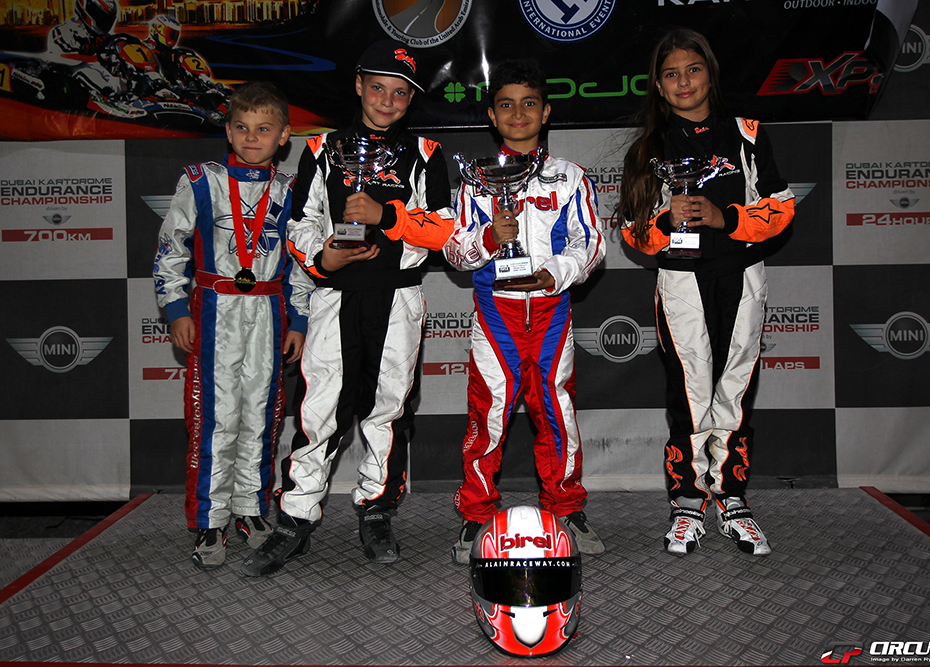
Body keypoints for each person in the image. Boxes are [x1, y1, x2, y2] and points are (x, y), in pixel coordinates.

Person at [240, 40, 456, 576]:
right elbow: (300, 221)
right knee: (319, 411)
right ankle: (295, 518)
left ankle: (376, 510)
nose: (387, 100)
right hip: (335, 296)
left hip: (398, 296)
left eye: (399, 92)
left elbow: (444, 229)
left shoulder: (426, 153)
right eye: (377, 87)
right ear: (359, 85)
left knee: (389, 410)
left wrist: (388, 217)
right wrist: (324, 258)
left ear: (412, 98)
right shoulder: (321, 149)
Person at [617, 28, 795, 557]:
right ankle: (688, 501)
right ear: (658, 85)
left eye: (692, 69)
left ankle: (732, 498)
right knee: (691, 395)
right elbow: (632, 232)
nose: (683, 82)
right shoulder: (648, 149)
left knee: (735, 390)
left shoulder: (747, 134)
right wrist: (664, 222)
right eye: (671, 74)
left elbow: (782, 207)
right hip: (681, 282)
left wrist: (727, 218)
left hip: (742, 274)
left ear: (709, 74)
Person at [445, 59, 607, 565]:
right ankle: (476, 513)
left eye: (529, 103)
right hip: (497, 314)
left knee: (557, 414)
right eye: (507, 105)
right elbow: (455, 252)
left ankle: (565, 508)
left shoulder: (571, 177)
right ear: (492, 116)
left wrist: (554, 272)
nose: (518, 114)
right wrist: (490, 237)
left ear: (546, 112)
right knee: (488, 415)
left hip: (552, 311)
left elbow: (592, 244)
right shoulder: (474, 181)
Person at [153, 81, 311, 568]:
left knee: (260, 418)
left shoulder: (290, 190)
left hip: (267, 311)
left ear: (283, 136)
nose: (251, 137)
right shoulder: (201, 181)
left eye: (264, 129)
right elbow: (170, 248)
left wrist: (299, 319)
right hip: (214, 308)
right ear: (228, 130)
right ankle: (209, 519)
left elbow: (300, 264)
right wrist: (176, 309)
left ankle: (250, 509)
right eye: (242, 127)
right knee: (216, 419)